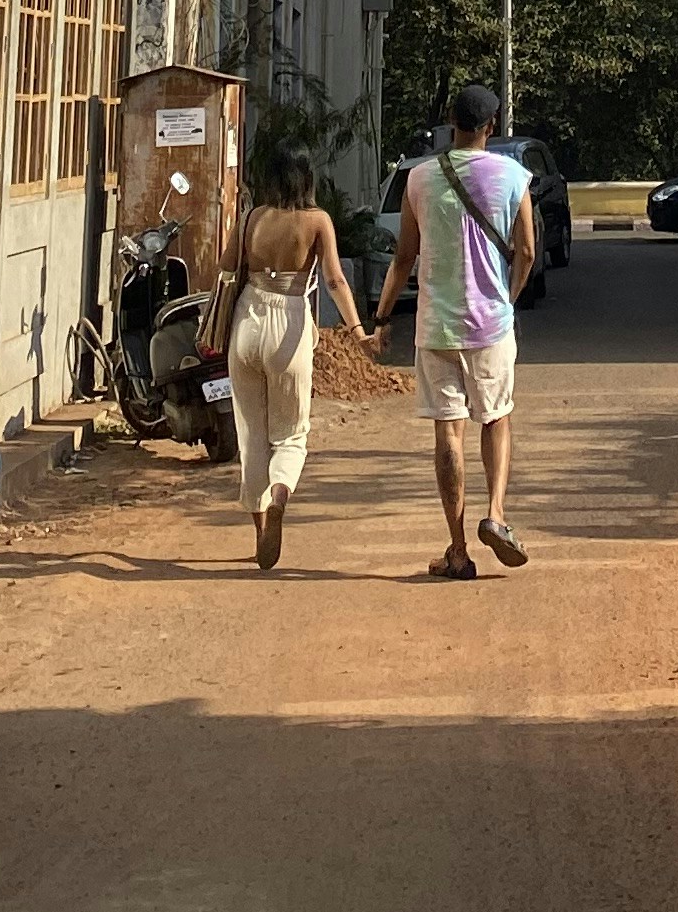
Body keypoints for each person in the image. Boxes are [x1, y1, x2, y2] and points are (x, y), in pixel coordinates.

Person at [376, 80, 537, 579]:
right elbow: (527, 252)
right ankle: (497, 514)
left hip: (435, 325)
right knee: (496, 417)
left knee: (448, 433)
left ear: (451, 122)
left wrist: (382, 318)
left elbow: (404, 258)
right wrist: (505, 300)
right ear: (491, 127)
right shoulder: (514, 175)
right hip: (490, 323)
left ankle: (458, 549)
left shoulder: (419, 179)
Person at [223, 141, 367, 570]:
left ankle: (260, 530)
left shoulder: (251, 217)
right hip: (289, 324)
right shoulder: (317, 220)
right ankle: (281, 493)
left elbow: (224, 266)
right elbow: (335, 280)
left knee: (251, 436)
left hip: (247, 320)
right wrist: (357, 331)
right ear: (307, 177)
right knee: (290, 434)